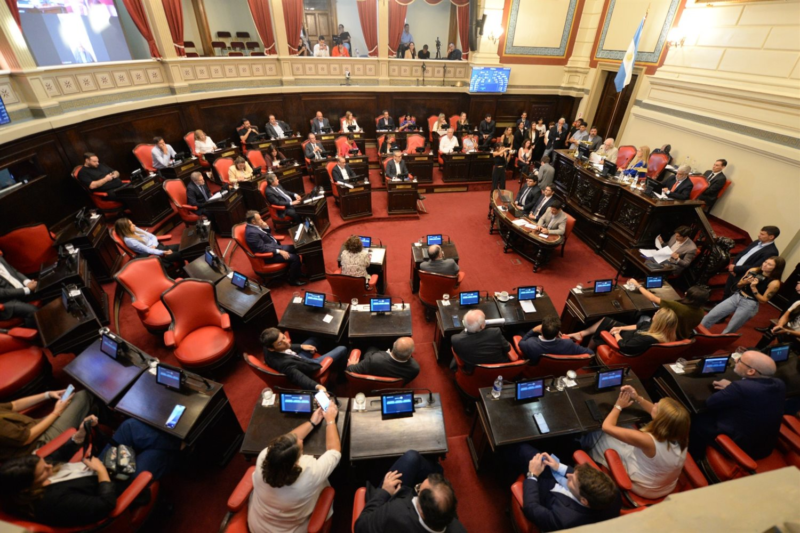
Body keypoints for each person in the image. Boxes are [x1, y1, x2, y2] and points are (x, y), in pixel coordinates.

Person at [0, 416, 181, 528]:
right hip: (117, 486)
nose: (48, 466)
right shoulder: (54, 503)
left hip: (95, 470)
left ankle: (177, 443)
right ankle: (182, 445)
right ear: (28, 488)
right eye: (43, 471)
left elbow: (56, 457)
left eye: (43, 463)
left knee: (129, 426)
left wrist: (79, 436)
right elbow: (105, 504)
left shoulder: (32, 475)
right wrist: (102, 472)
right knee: (158, 452)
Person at [248, 404, 340, 533]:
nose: (300, 440)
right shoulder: (309, 472)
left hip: (257, 526)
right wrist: (330, 420)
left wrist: (312, 422)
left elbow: (286, 441)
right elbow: (334, 452)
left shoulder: (264, 456)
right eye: (300, 449)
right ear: (295, 464)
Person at [586, 387, 690, 499]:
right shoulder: (680, 433)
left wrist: (618, 405)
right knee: (627, 426)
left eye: (657, 406)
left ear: (661, 420)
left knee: (599, 434)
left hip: (647, 489)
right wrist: (637, 398)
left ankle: (582, 443)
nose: (654, 404)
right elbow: (658, 413)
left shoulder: (648, 441)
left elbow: (606, 427)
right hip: (666, 485)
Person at [688, 350, 785, 460]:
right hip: (764, 447)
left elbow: (710, 402)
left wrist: (731, 388)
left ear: (751, 371)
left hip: (741, 448)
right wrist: (733, 388)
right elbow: (753, 394)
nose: (735, 360)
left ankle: (695, 457)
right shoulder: (779, 384)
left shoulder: (740, 388)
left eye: (740, 360)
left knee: (696, 419)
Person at [512, 444, 620, 531]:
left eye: (572, 481)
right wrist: (558, 467)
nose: (568, 475)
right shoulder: (612, 493)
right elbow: (577, 477)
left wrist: (532, 474)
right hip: (554, 475)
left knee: (519, 451)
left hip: (542, 487)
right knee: (524, 449)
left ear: (584, 500)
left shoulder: (564, 520)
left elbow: (531, 508)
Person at [355, 450, 465, 533]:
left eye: (418, 488)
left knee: (411, 458)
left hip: (383, 508)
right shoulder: (459, 529)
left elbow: (360, 526)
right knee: (417, 460)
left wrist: (385, 492)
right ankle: (437, 468)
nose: (417, 488)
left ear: (421, 511)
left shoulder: (395, 511)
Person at [0, 389, 93, 461]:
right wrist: (56, 412)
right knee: (84, 396)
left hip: (35, 425)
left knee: (72, 399)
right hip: (38, 442)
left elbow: (14, 405)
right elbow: (28, 438)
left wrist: (48, 394)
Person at [701, 256, 784, 334]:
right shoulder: (754, 270)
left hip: (750, 304)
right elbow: (739, 285)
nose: (765, 265)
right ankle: (697, 332)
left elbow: (763, 300)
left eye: (769, 264)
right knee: (710, 316)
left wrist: (754, 288)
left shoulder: (774, 283)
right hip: (737, 296)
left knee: (731, 328)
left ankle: (718, 341)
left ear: (776, 268)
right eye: (765, 262)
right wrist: (745, 282)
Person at [568, 307, 678, 357]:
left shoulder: (649, 338)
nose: (655, 313)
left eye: (657, 313)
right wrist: (621, 328)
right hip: (630, 335)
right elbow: (638, 326)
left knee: (603, 329)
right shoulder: (660, 329)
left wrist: (616, 333)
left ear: (660, 321)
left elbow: (624, 345)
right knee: (606, 320)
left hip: (624, 344)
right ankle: (581, 334)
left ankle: (587, 354)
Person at [260, 328, 348, 390]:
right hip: (306, 364)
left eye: (283, 337)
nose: (286, 342)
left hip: (295, 357)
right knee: (342, 349)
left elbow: (286, 347)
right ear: (271, 348)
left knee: (316, 338)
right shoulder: (286, 365)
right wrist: (318, 387)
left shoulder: (268, 344)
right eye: (280, 343)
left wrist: (301, 346)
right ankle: (341, 377)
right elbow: (300, 378)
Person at [625, 282, 709, 340]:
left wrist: (638, 285)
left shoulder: (677, 306)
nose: (685, 292)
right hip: (681, 338)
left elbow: (652, 298)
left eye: (687, 293)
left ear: (688, 296)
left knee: (641, 314)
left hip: (664, 335)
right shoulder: (701, 312)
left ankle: (632, 335)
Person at [245, 211, 305, 286]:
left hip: (274, 247)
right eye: (259, 219)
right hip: (268, 255)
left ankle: (297, 272)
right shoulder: (251, 233)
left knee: (297, 247)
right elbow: (261, 249)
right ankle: (293, 280)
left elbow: (266, 235)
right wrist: (279, 251)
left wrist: (266, 227)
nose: (262, 220)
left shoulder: (254, 226)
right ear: (253, 222)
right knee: (295, 258)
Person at [723, 226, 780, 299]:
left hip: (744, 275)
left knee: (733, 296)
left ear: (771, 237)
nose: (759, 235)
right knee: (726, 292)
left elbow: (756, 266)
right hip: (734, 270)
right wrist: (733, 265)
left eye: (762, 234)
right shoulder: (756, 242)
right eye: (760, 233)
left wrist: (735, 269)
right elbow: (742, 253)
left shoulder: (772, 252)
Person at [518, 317, 594, 365]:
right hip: (558, 371)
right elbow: (590, 353)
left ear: (541, 330)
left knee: (519, 331)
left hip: (536, 369)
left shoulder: (530, 343)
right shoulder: (568, 344)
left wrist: (533, 330)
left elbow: (520, 343)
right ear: (557, 333)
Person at [346, 337, 420, 384]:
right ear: (410, 354)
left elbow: (350, 370)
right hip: (391, 388)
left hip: (373, 365)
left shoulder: (375, 359)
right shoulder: (415, 368)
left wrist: (351, 364)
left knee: (371, 348)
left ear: (394, 344)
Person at [114, 218, 183, 266]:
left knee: (183, 247)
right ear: (125, 229)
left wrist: (154, 245)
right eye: (131, 225)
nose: (134, 225)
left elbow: (152, 236)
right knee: (180, 254)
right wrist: (163, 252)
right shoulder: (130, 240)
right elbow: (147, 250)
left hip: (157, 247)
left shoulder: (135, 229)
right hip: (155, 255)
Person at [756, 280, 800, 351]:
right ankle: (757, 350)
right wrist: (780, 325)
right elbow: (786, 315)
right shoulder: (798, 303)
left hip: (796, 336)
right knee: (777, 330)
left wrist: (787, 331)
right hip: (789, 329)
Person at [0, 255, 39, 328]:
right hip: (4, 302)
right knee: (32, 311)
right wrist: (27, 289)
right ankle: (39, 335)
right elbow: (2, 293)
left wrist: (28, 282)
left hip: (20, 291)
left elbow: (14, 271)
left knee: (48, 290)